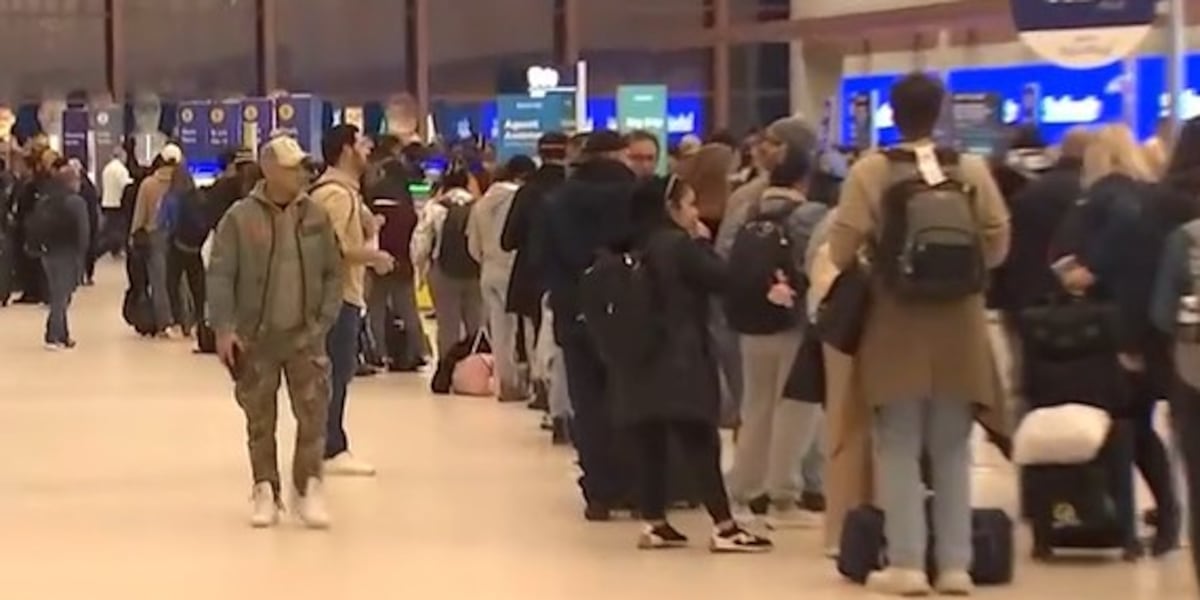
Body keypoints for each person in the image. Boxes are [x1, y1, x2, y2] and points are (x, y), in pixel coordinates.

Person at [827, 72, 1010, 596]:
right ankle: (956, 565)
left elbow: (842, 248)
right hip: (961, 324)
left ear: (892, 113)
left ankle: (907, 561)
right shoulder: (970, 169)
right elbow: (998, 240)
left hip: (895, 322)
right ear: (941, 112)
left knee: (898, 442)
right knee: (953, 446)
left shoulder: (871, 171)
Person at [618, 174, 774, 553]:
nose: (695, 211)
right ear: (670, 208)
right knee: (700, 440)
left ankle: (654, 522)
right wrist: (705, 244)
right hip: (681, 357)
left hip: (638, 355)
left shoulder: (634, 244)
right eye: (688, 204)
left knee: (651, 442)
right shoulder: (680, 246)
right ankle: (725, 526)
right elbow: (723, 279)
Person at [1053, 123, 1180, 556]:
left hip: (1114, 328)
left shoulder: (1103, 199)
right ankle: (1166, 514)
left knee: (1127, 428)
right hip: (1156, 327)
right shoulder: (1155, 198)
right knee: (1143, 425)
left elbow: (1071, 260)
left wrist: (1083, 272)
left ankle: (1122, 520)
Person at [207, 135, 344, 529]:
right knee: (259, 418)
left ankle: (308, 486)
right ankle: (265, 487)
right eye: (290, 167)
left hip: (306, 335)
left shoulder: (315, 215)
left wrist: (324, 318)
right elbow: (220, 274)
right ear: (268, 169)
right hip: (256, 337)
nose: (300, 173)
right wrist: (224, 328)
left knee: (314, 414)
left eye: (301, 166)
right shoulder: (239, 218)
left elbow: (334, 271)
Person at [723, 147, 829, 529]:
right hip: (793, 325)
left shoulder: (748, 212)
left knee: (756, 406)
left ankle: (746, 485)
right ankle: (783, 493)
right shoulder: (810, 216)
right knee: (795, 411)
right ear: (803, 181)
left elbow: (724, 256)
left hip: (750, 323)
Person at [541, 130, 638, 520]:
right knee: (628, 397)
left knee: (588, 401)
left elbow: (541, 258)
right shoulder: (636, 197)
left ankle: (598, 490)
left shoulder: (557, 200)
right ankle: (634, 486)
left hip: (576, 310)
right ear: (617, 155)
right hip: (629, 312)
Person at [310, 125, 395, 477]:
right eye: (361, 142)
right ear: (346, 149)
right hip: (338, 296)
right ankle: (331, 447)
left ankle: (329, 442)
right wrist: (375, 258)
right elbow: (334, 249)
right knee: (337, 372)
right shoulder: (337, 195)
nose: (368, 147)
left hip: (336, 295)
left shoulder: (341, 192)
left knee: (336, 371)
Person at [502, 133, 571, 437]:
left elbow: (509, 239)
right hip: (568, 273)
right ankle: (565, 402)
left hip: (532, 274)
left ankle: (542, 393)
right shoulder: (572, 189)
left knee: (536, 338)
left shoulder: (528, 192)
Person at [469, 154, 537, 402]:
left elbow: (473, 246)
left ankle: (506, 385)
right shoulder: (522, 198)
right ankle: (536, 382)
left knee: (500, 329)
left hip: (489, 270)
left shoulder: (481, 204)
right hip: (517, 268)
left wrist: (486, 260)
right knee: (529, 326)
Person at [365, 141, 428, 372]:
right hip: (402, 264)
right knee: (409, 310)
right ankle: (417, 350)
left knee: (376, 309)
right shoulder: (406, 208)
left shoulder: (372, 201)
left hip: (375, 261)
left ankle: (379, 353)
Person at [412, 163, 483, 359]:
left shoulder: (434, 207)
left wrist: (420, 271)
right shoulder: (479, 206)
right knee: (476, 324)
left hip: (443, 271)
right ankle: (476, 369)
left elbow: (421, 242)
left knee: (447, 324)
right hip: (475, 272)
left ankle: (447, 370)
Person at [30, 157, 89, 349]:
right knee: (61, 296)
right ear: (73, 181)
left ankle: (63, 334)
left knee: (58, 293)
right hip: (67, 253)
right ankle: (52, 335)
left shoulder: (47, 199)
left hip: (48, 252)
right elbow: (83, 232)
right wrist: (83, 258)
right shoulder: (76, 202)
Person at [130, 144, 184, 337]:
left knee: (158, 281)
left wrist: (134, 234)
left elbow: (140, 213)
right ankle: (184, 320)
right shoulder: (183, 183)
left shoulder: (148, 184)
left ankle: (164, 322)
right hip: (179, 235)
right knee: (180, 280)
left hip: (155, 236)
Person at [159, 165, 209, 336]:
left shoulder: (171, 197)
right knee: (198, 287)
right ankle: (199, 322)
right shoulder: (200, 197)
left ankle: (179, 323)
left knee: (172, 283)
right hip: (195, 248)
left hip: (177, 246)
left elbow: (163, 222)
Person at [99, 146, 132, 258]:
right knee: (118, 228)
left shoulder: (107, 168)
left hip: (107, 201)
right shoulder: (121, 169)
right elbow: (126, 185)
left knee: (110, 227)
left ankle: (113, 249)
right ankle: (115, 249)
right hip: (117, 202)